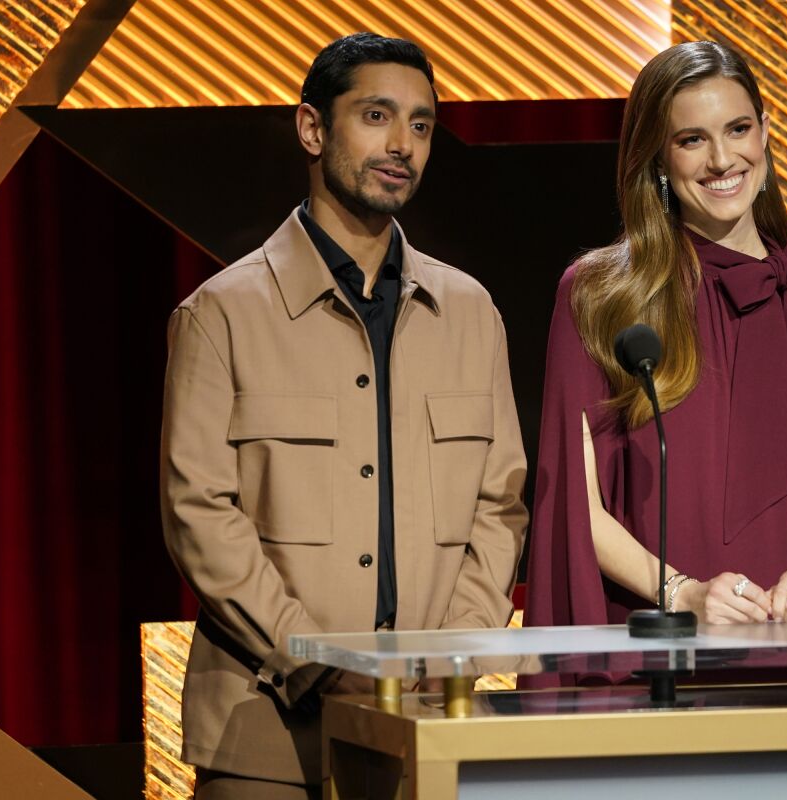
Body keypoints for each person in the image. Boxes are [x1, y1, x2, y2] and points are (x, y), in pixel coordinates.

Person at [160, 33, 527, 799]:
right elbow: (199, 512)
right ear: (312, 128)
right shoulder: (221, 314)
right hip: (263, 726)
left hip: (426, 720)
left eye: (421, 125)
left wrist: (449, 657)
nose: (402, 145)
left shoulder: (471, 313)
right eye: (376, 116)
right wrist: (318, 658)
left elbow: (500, 506)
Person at [525, 42, 787, 647]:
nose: (721, 160)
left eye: (738, 129)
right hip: (657, 657)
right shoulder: (600, 294)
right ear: (659, 157)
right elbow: (575, 507)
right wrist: (683, 594)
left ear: (766, 132)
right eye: (692, 140)